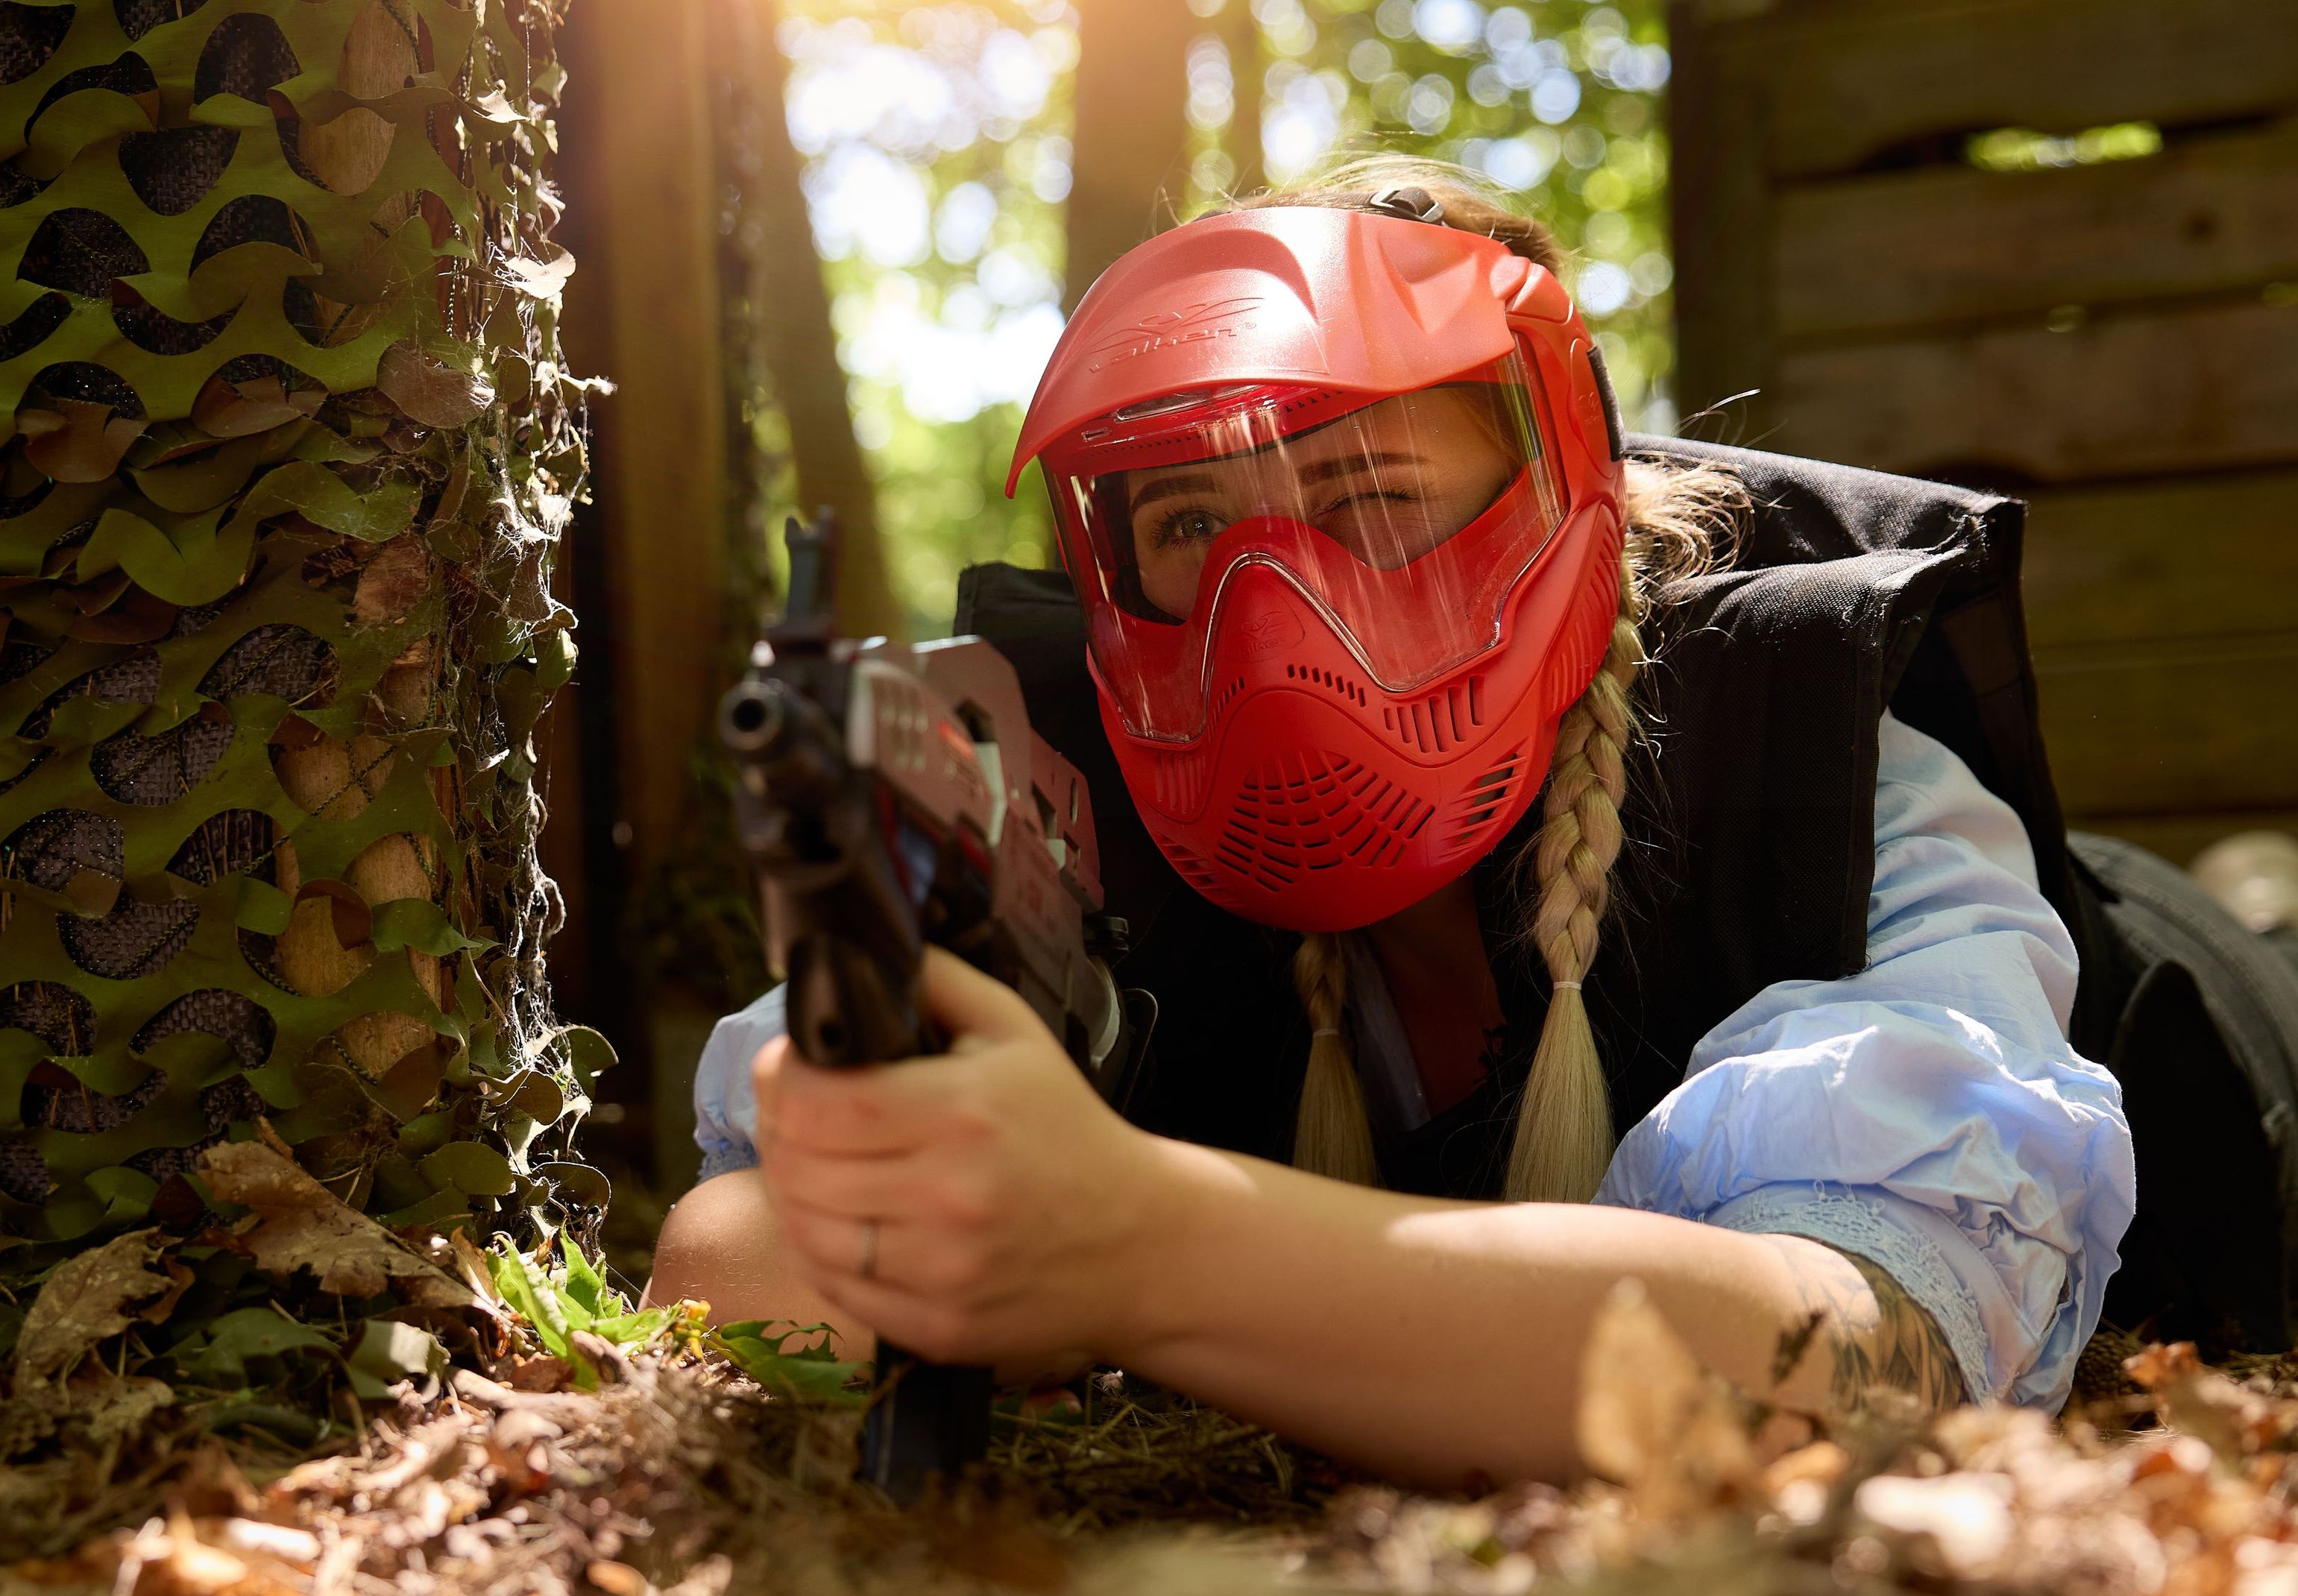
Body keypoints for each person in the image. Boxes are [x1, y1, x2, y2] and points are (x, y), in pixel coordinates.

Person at [643, 159, 2167, 1487]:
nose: (1269, 612)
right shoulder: (1047, 808)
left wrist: (1132, 1246)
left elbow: (1863, 1368)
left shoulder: (1813, 754)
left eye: (1366, 494)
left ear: (1567, 498)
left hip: (2217, 1036)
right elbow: (743, 1263)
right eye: (1189, 529)